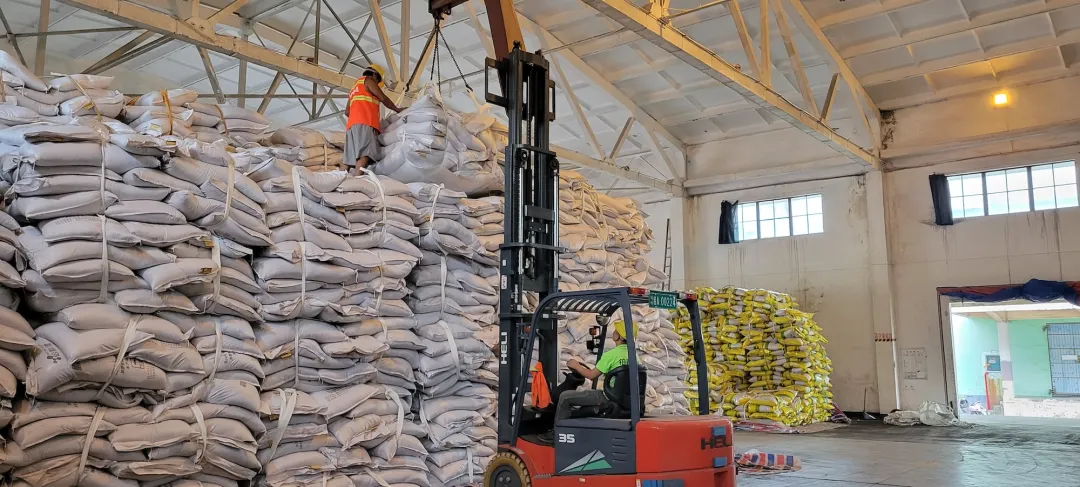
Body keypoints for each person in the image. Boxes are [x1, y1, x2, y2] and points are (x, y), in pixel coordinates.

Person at [554, 319, 639, 422]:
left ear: (618, 336)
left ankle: (558, 429)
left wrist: (576, 366)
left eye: (615, 331)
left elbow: (591, 375)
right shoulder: (636, 357)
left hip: (608, 398)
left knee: (564, 397)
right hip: (627, 400)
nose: (613, 332)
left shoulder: (611, 355)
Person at [344, 64, 402, 174]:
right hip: (365, 123)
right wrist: (397, 109)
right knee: (365, 154)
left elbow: (347, 112)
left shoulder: (354, 87)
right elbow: (383, 98)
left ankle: (338, 178)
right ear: (375, 75)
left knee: (348, 159)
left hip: (351, 126)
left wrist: (357, 115)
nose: (377, 84)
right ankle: (357, 180)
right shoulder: (369, 80)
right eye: (378, 81)